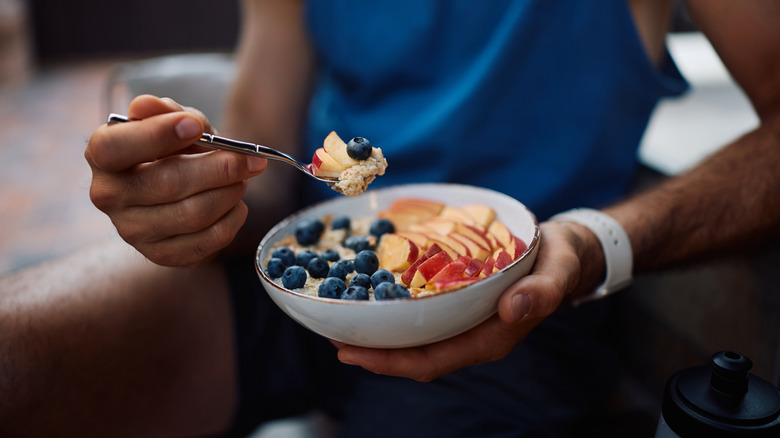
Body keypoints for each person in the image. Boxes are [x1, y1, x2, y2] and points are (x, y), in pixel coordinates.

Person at [1, 0, 779, 436]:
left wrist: (599, 242)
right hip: (305, 274)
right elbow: (265, 179)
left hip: (515, 311)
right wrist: (196, 199)